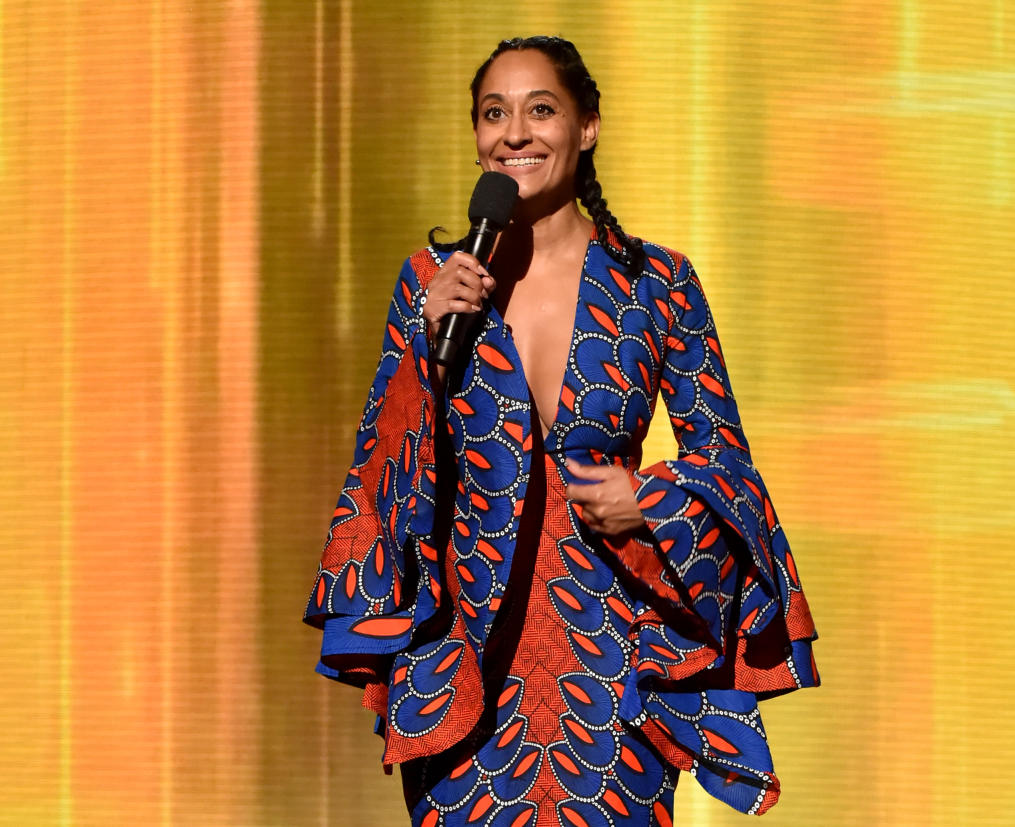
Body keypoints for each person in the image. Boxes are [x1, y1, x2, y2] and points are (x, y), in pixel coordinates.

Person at [303, 35, 818, 826]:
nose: (514, 134)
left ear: (587, 126)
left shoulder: (660, 284)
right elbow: (381, 473)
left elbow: (729, 465)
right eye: (493, 114)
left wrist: (652, 499)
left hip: (612, 653)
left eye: (540, 110)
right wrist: (423, 340)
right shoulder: (429, 282)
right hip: (465, 658)